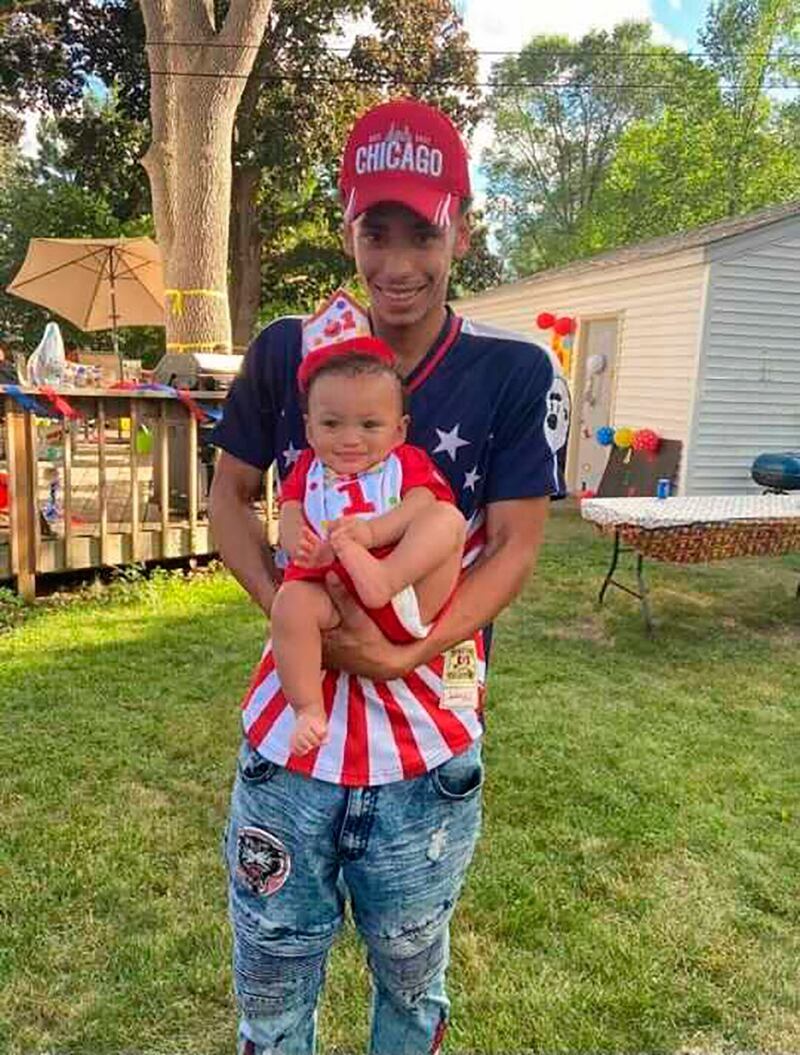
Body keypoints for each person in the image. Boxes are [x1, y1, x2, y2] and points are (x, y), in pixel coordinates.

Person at [209, 96, 569, 1055]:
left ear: (462, 225)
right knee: (275, 982)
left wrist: (404, 646)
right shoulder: (290, 351)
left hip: (430, 742)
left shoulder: (514, 372)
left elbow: (517, 546)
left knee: (412, 980)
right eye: (377, 230)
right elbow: (228, 502)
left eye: (425, 230)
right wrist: (310, 622)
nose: (399, 262)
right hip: (295, 745)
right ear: (346, 227)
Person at [273, 335, 466, 757]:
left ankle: (383, 575)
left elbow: (423, 501)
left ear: (399, 431)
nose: (349, 439)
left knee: (448, 519)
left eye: (369, 425)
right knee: (289, 603)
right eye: (331, 424)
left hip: (403, 594)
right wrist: (296, 542)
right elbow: (289, 508)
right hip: (334, 598)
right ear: (308, 428)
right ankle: (307, 708)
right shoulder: (307, 468)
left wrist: (373, 534)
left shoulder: (406, 461)